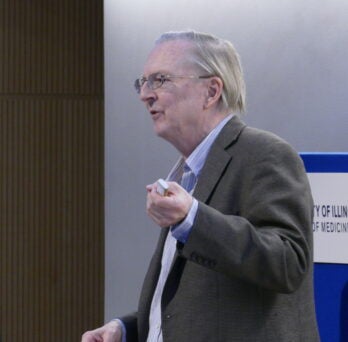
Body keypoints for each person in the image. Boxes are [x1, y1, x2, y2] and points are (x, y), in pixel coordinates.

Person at [82, 30, 319, 342]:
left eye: (160, 80)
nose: (145, 94)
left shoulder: (265, 155)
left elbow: (288, 263)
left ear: (211, 91)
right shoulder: (187, 172)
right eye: (143, 82)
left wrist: (192, 218)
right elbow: (202, 303)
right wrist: (128, 329)